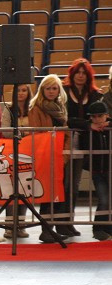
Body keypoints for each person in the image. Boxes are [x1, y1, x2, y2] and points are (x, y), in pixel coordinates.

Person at [62, 58, 103, 238]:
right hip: (66, 142)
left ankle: (68, 222)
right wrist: (87, 125)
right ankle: (62, 223)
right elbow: (66, 119)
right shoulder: (63, 91)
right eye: (77, 72)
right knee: (65, 184)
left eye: (83, 73)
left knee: (74, 185)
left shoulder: (94, 94)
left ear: (88, 76)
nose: (80, 75)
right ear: (72, 74)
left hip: (85, 145)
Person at [28, 74, 70, 244]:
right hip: (45, 155)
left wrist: (65, 153)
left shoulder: (61, 107)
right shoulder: (36, 108)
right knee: (48, 195)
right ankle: (46, 230)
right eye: (48, 88)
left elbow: (66, 133)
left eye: (54, 88)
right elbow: (37, 134)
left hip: (61, 155)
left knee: (57, 194)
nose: (51, 91)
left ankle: (49, 229)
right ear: (42, 90)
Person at [0, 84, 33, 238]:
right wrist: (22, 133)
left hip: (30, 152)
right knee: (11, 189)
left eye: (24, 90)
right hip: (11, 152)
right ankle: (9, 225)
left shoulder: (32, 108)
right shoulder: (8, 109)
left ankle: (21, 224)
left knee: (26, 189)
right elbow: (5, 130)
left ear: (29, 92)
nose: (21, 93)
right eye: (18, 90)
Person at [82, 102, 111, 241]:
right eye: (94, 117)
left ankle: (108, 227)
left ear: (107, 116)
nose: (97, 119)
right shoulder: (88, 129)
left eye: (100, 116)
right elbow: (72, 122)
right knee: (103, 199)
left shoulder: (109, 128)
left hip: (109, 168)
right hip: (97, 171)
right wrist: (89, 126)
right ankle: (98, 227)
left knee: (109, 199)